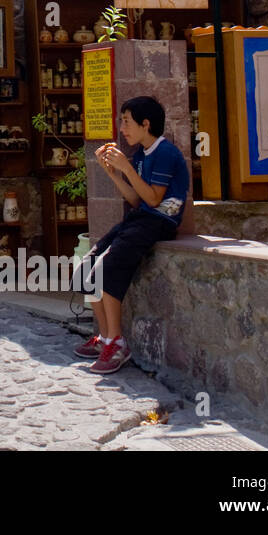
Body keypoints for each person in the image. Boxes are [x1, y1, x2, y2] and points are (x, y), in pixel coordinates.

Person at [74, 95, 188, 374]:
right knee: (86, 267)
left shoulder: (165, 153)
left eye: (126, 122)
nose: (122, 129)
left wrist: (125, 167)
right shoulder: (140, 156)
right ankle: (104, 337)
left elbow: (152, 200)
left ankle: (117, 342)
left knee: (108, 268)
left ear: (145, 124)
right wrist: (114, 173)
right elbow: (137, 201)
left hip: (158, 223)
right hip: (140, 219)